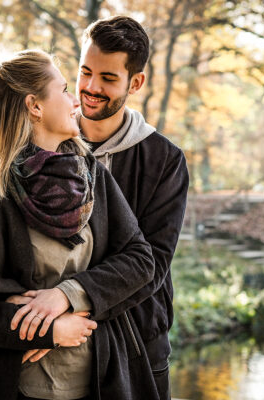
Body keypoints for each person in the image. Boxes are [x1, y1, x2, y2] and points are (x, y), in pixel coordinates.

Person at [0, 49, 158, 400]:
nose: (76, 100)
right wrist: (51, 330)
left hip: (105, 382)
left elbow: (141, 261)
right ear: (35, 106)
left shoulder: (92, 177)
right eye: (63, 90)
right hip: (22, 389)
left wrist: (68, 296)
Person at [75, 16, 189, 399]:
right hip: (54, 344)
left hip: (137, 344)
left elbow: (153, 264)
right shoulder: (44, 145)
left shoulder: (165, 160)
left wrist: (72, 303)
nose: (90, 88)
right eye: (85, 72)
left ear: (135, 82)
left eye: (108, 78)